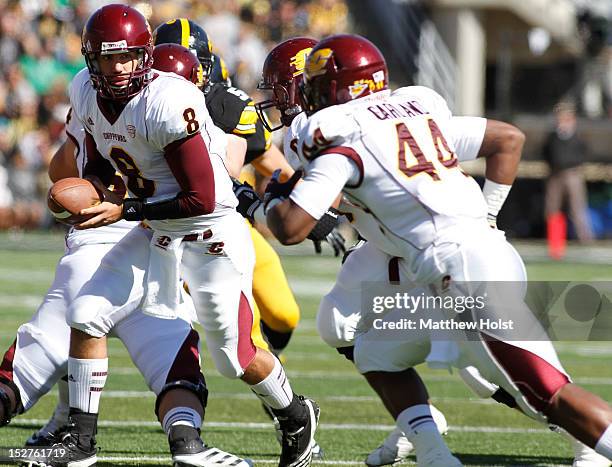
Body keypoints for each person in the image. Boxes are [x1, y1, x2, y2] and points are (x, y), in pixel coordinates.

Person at [263, 34, 612, 466]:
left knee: (543, 390)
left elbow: (291, 226)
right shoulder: (409, 114)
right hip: (451, 260)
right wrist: (486, 218)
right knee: (376, 352)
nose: (305, 100)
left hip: (457, 267)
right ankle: (434, 455)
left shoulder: (337, 141)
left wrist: (271, 199)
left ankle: (588, 442)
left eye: (312, 88)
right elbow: (505, 139)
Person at [58, 5, 319, 467]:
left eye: (127, 57)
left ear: (146, 56)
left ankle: (296, 414)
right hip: (156, 226)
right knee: (86, 311)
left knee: (234, 357)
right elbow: (102, 160)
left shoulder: (166, 100)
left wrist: (126, 208)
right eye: (106, 58)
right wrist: (95, 190)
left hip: (210, 231)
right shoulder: (83, 90)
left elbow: (204, 198)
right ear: (89, 58)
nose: (117, 68)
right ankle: (79, 443)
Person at [0, 110, 237, 467]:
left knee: (22, 372)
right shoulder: (177, 114)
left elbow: (59, 170)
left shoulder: (92, 100)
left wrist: (84, 182)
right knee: (177, 369)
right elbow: (212, 189)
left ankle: (74, 436)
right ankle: (186, 441)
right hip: (153, 259)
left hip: (92, 255)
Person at [543, 101, 593, 259]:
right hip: (555, 174)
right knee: (552, 209)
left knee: (577, 208)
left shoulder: (577, 136)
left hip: (572, 174)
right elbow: (546, 152)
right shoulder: (553, 137)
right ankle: (556, 244)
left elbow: (584, 153)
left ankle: (585, 239)